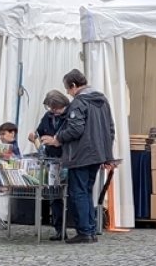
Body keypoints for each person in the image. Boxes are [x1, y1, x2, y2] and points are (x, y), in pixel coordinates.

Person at [41, 70, 115, 244]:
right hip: (98, 154)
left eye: (68, 89)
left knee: (78, 192)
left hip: (81, 154)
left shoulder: (79, 103)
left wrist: (57, 139)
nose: (68, 93)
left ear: (74, 86)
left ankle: (84, 231)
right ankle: (90, 230)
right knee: (87, 191)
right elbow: (110, 129)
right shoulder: (102, 101)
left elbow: (76, 129)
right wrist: (107, 154)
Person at [30, 90, 71, 240]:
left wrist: (56, 139)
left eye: (55, 108)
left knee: (70, 195)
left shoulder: (70, 116)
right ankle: (60, 230)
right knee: (55, 196)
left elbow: (74, 135)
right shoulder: (48, 117)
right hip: (51, 159)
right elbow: (40, 132)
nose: (53, 111)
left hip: (67, 158)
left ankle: (81, 228)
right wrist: (34, 136)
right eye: (50, 108)